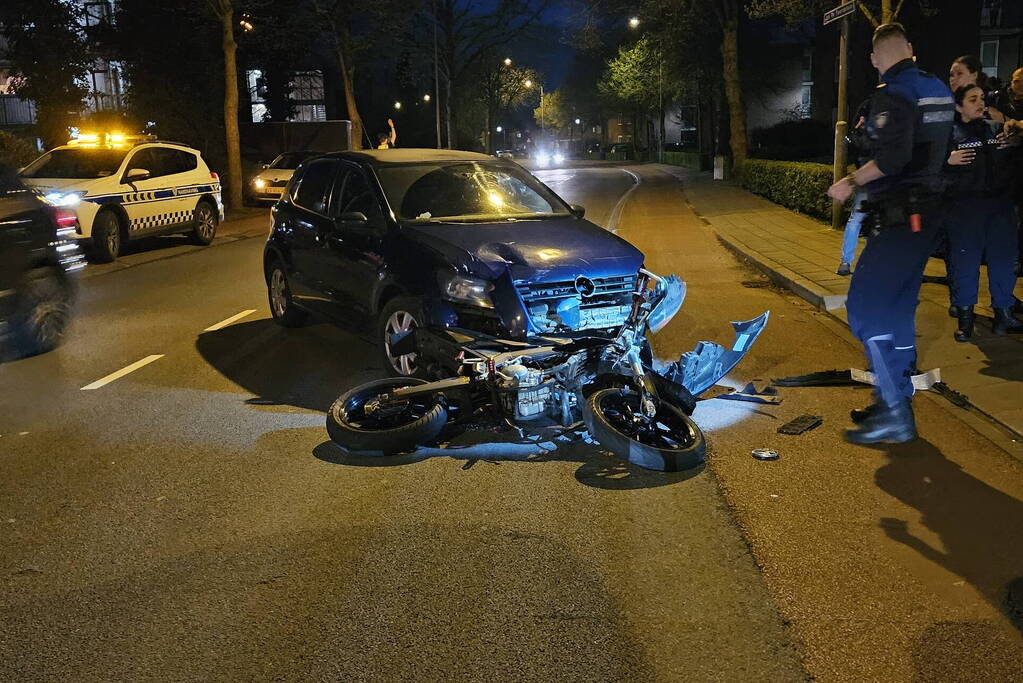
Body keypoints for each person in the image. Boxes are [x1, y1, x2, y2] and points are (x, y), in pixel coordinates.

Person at [827, 23, 955, 444]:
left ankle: (895, 412)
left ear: (876, 57)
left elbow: (895, 157)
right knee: (899, 310)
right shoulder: (935, 86)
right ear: (911, 48)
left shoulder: (895, 93)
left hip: (901, 216)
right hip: (928, 216)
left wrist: (849, 181)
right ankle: (895, 398)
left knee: (865, 308)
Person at [943, 83, 1023, 341]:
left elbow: (1015, 158)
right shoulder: (949, 135)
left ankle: (1003, 315)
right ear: (958, 106)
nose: (980, 103)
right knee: (965, 263)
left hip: (1000, 208)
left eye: (982, 98)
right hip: (965, 210)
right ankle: (966, 319)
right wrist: (947, 160)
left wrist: (1015, 137)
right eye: (972, 99)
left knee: (1003, 261)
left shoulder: (997, 129)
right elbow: (924, 168)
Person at [837, 99, 873, 276]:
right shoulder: (888, 126)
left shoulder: (859, 132)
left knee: (856, 219)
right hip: (880, 178)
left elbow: (852, 148)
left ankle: (845, 262)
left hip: (863, 177)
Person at [948, 54, 1005, 122]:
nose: (953, 79)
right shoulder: (947, 103)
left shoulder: (993, 100)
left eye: (959, 73)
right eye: (951, 75)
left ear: (974, 75)